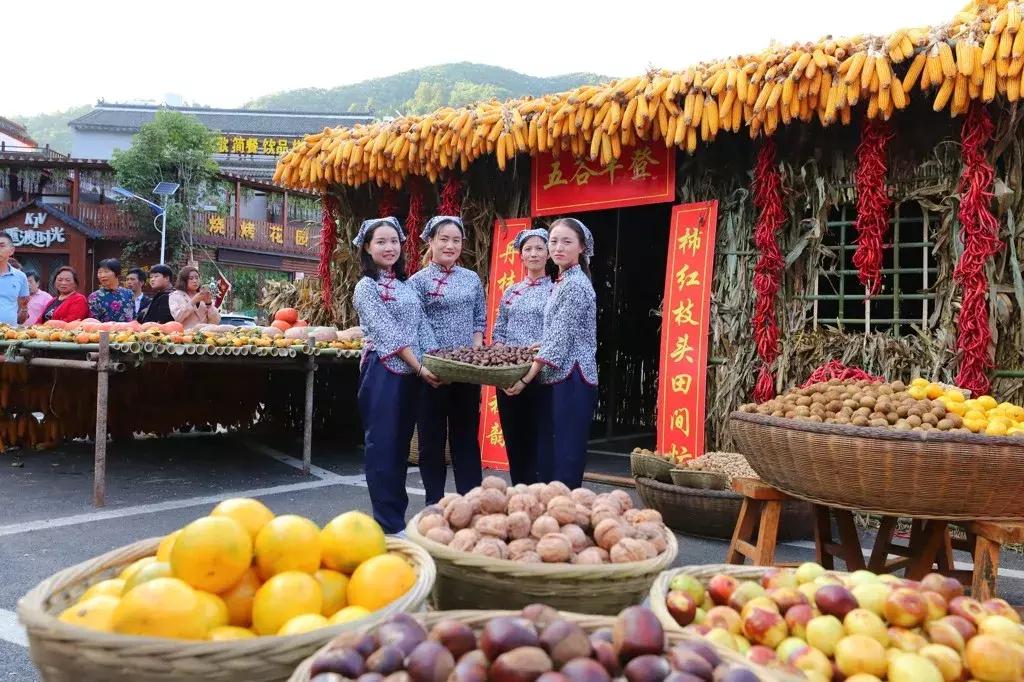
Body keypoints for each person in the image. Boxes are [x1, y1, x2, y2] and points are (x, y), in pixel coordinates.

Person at [352, 217, 441, 533]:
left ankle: (395, 520)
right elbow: (386, 332)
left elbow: (421, 326)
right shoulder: (367, 286)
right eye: (381, 242)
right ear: (367, 247)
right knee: (383, 447)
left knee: (401, 448)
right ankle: (388, 524)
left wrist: (437, 361)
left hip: (411, 374)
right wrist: (419, 366)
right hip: (383, 370)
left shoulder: (406, 285)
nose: (389, 247)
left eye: (394, 241)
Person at [503, 217, 597, 489]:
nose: (558, 248)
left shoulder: (575, 284)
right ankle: (550, 517)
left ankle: (564, 518)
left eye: (567, 242)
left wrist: (524, 379)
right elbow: (555, 332)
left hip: (571, 376)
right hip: (557, 377)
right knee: (550, 454)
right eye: (554, 241)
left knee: (564, 456)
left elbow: (559, 340)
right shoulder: (564, 281)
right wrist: (536, 346)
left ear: (581, 247)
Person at [408, 215, 486, 504]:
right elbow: (414, 324)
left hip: (466, 372)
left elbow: (479, 318)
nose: (450, 245)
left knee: (465, 438)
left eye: (456, 240)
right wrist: (428, 365)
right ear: (431, 241)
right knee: (431, 440)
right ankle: (434, 502)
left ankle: (472, 502)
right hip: (431, 372)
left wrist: (475, 354)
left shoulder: (471, 279)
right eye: (444, 239)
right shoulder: (417, 282)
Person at [492, 228, 554, 485]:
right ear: (520, 255)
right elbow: (499, 331)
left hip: (542, 375)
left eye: (540, 248)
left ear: (549, 253)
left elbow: (556, 335)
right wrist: (500, 365)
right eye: (528, 249)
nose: (534, 253)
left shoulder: (556, 290)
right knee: (515, 439)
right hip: (509, 376)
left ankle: (539, 496)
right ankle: (519, 491)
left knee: (540, 440)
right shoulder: (511, 292)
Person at [87, 258, 135, 323]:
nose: (102, 275)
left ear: (116, 273)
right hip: (104, 332)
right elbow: (93, 323)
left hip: (127, 332)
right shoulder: (94, 297)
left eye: (106, 272)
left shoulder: (129, 293)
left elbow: (133, 318)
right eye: (99, 272)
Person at [0, 234, 29, 326]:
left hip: (9, 336)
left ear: (12, 250)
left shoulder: (20, 276)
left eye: (1, 246)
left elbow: (21, 319)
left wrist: (24, 308)